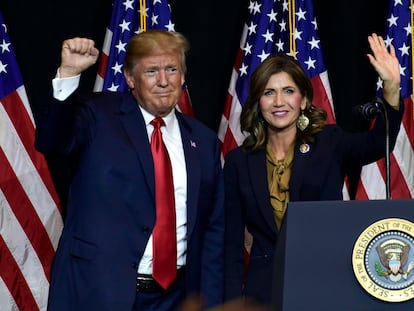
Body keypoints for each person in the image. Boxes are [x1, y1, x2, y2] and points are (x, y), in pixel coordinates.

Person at [35, 30, 224, 310]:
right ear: (130, 78)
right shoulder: (97, 115)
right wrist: (69, 74)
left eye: (172, 69)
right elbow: (52, 140)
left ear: (183, 76)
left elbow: (212, 230)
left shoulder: (204, 141)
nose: (163, 81)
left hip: (175, 298)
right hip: (100, 291)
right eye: (151, 71)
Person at [223, 33, 404, 306]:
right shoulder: (239, 161)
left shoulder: (329, 144)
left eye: (288, 91)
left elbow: (379, 143)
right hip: (264, 293)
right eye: (269, 92)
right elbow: (231, 245)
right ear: (258, 103)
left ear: (304, 100)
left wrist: (391, 88)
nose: (279, 102)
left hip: (324, 286)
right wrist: (232, 304)